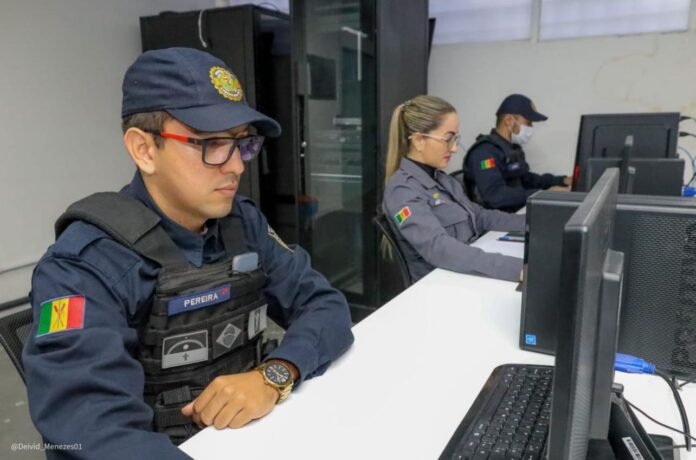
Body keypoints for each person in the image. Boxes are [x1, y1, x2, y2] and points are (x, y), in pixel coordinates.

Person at [22, 47, 354, 459]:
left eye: (242, 143)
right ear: (144, 150)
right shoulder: (83, 266)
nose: (236, 167)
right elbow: (93, 430)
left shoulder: (242, 224)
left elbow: (325, 305)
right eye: (213, 144)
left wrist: (274, 374)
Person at [383, 95, 525, 283]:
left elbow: (479, 216)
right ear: (418, 140)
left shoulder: (442, 179)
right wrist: (516, 269)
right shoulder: (403, 191)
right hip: (443, 284)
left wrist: (534, 222)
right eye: (448, 139)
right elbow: (439, 248)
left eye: (455, 139)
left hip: (463, 270)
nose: (454, 148)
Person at [463, 94, 571, 212]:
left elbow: (527, 179)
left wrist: (562, 180)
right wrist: (541, 195)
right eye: (528, 123)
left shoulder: (511, 149)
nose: (531, 128)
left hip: (514, 213)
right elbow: (495, 196)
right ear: (509, 120)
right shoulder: (484, 152)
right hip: (494, 220)